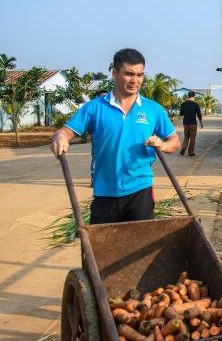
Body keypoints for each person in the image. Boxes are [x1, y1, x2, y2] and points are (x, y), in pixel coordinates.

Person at [50, 48, 181, 224]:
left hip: (140, 189)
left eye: (140, 75)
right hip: (105, 190)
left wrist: (162, 145)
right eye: (129, 74)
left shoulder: (153, 109)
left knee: (140, 245)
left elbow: (175, 141)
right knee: (103, 247)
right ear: (114, 73)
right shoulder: (95, 107)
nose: (135, 80)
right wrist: (60, 137)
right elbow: (66, 131)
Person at [179, 91, 203, 156]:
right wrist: (201, 123)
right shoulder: (196, 104)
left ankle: (184, 147)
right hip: (193, 124)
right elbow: (199, 115)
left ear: (188, 96)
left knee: (186, 136)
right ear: (194, 96)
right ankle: (191, 152)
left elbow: (181, 114)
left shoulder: (183, 104)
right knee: (192, 138)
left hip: (186, 123)